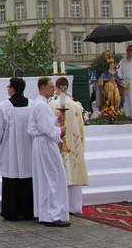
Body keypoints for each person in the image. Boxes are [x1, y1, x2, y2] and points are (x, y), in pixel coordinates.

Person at [0, 77, 33, 220]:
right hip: (28, 150)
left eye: (8, 87)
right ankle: (28, 211)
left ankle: (12, 213)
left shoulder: (4, 106)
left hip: (11, 152)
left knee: (12, 179)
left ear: (12, 89)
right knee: (27, 180)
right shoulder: (32, 105)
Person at [29, 77, 70, 227]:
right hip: (45, 143)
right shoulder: (41, 105)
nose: (54, 89)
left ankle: (45, 212)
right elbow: (45, 129)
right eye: (51, 87)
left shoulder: (40, 104)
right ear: (43, 88)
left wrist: (56, 120)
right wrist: (60, 130)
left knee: (47, 177)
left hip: (43, 143)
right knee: (52, 176)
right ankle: (52, 214)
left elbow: (44, 124)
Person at [49, 77, 89, 214]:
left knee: (61, 174)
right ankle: (75, 206)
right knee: (74, 170)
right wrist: (81, 145)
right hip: (74, 144)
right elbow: (81, 128)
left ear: (58, 88)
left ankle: (61, 206)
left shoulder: (52, 105)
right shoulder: (76, 106)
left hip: (58, 144)